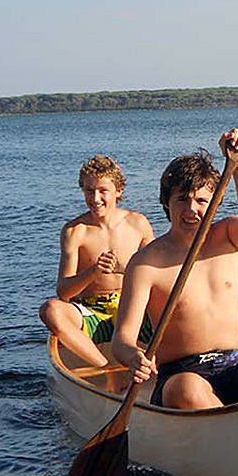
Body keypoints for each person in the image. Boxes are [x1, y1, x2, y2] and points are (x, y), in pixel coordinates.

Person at [112, 128, 238, 409]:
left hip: (236, 365)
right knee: (188, 389)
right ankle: (232, 426)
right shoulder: (145, 263)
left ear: (215, 202)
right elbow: (122, 340)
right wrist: (133, 356)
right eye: (182, 199)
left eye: (201, 200)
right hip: (182, 375)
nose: (191, 209)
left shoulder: (228, 237)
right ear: (166, 202)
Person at [39, 155, 154, 370]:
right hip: (93, 311)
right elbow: (64, 292)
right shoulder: (75, 231)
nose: (95, 198)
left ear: (118, 191)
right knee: (50, 310)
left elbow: (158, 276)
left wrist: (122, 269)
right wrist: (93, 272)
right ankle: (105, 367)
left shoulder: (138, 223)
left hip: (133, 308)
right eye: (89, 191)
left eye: (103, 191)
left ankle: (164, 361)